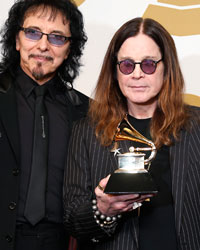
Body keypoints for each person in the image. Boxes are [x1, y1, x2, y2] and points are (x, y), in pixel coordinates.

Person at [63, 17, 200, 250]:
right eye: (127, 65)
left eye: (148, 64)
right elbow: (73, 221)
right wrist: (103, 209)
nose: (137, 74)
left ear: (166, 68)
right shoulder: (86, 131)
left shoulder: (196, 125)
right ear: (115, 71)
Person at [0, 0, 88, 250]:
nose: (43, 45)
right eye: (32, 33)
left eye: (57, 37)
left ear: (70, 49)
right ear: (16, 40)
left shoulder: (87, 112)